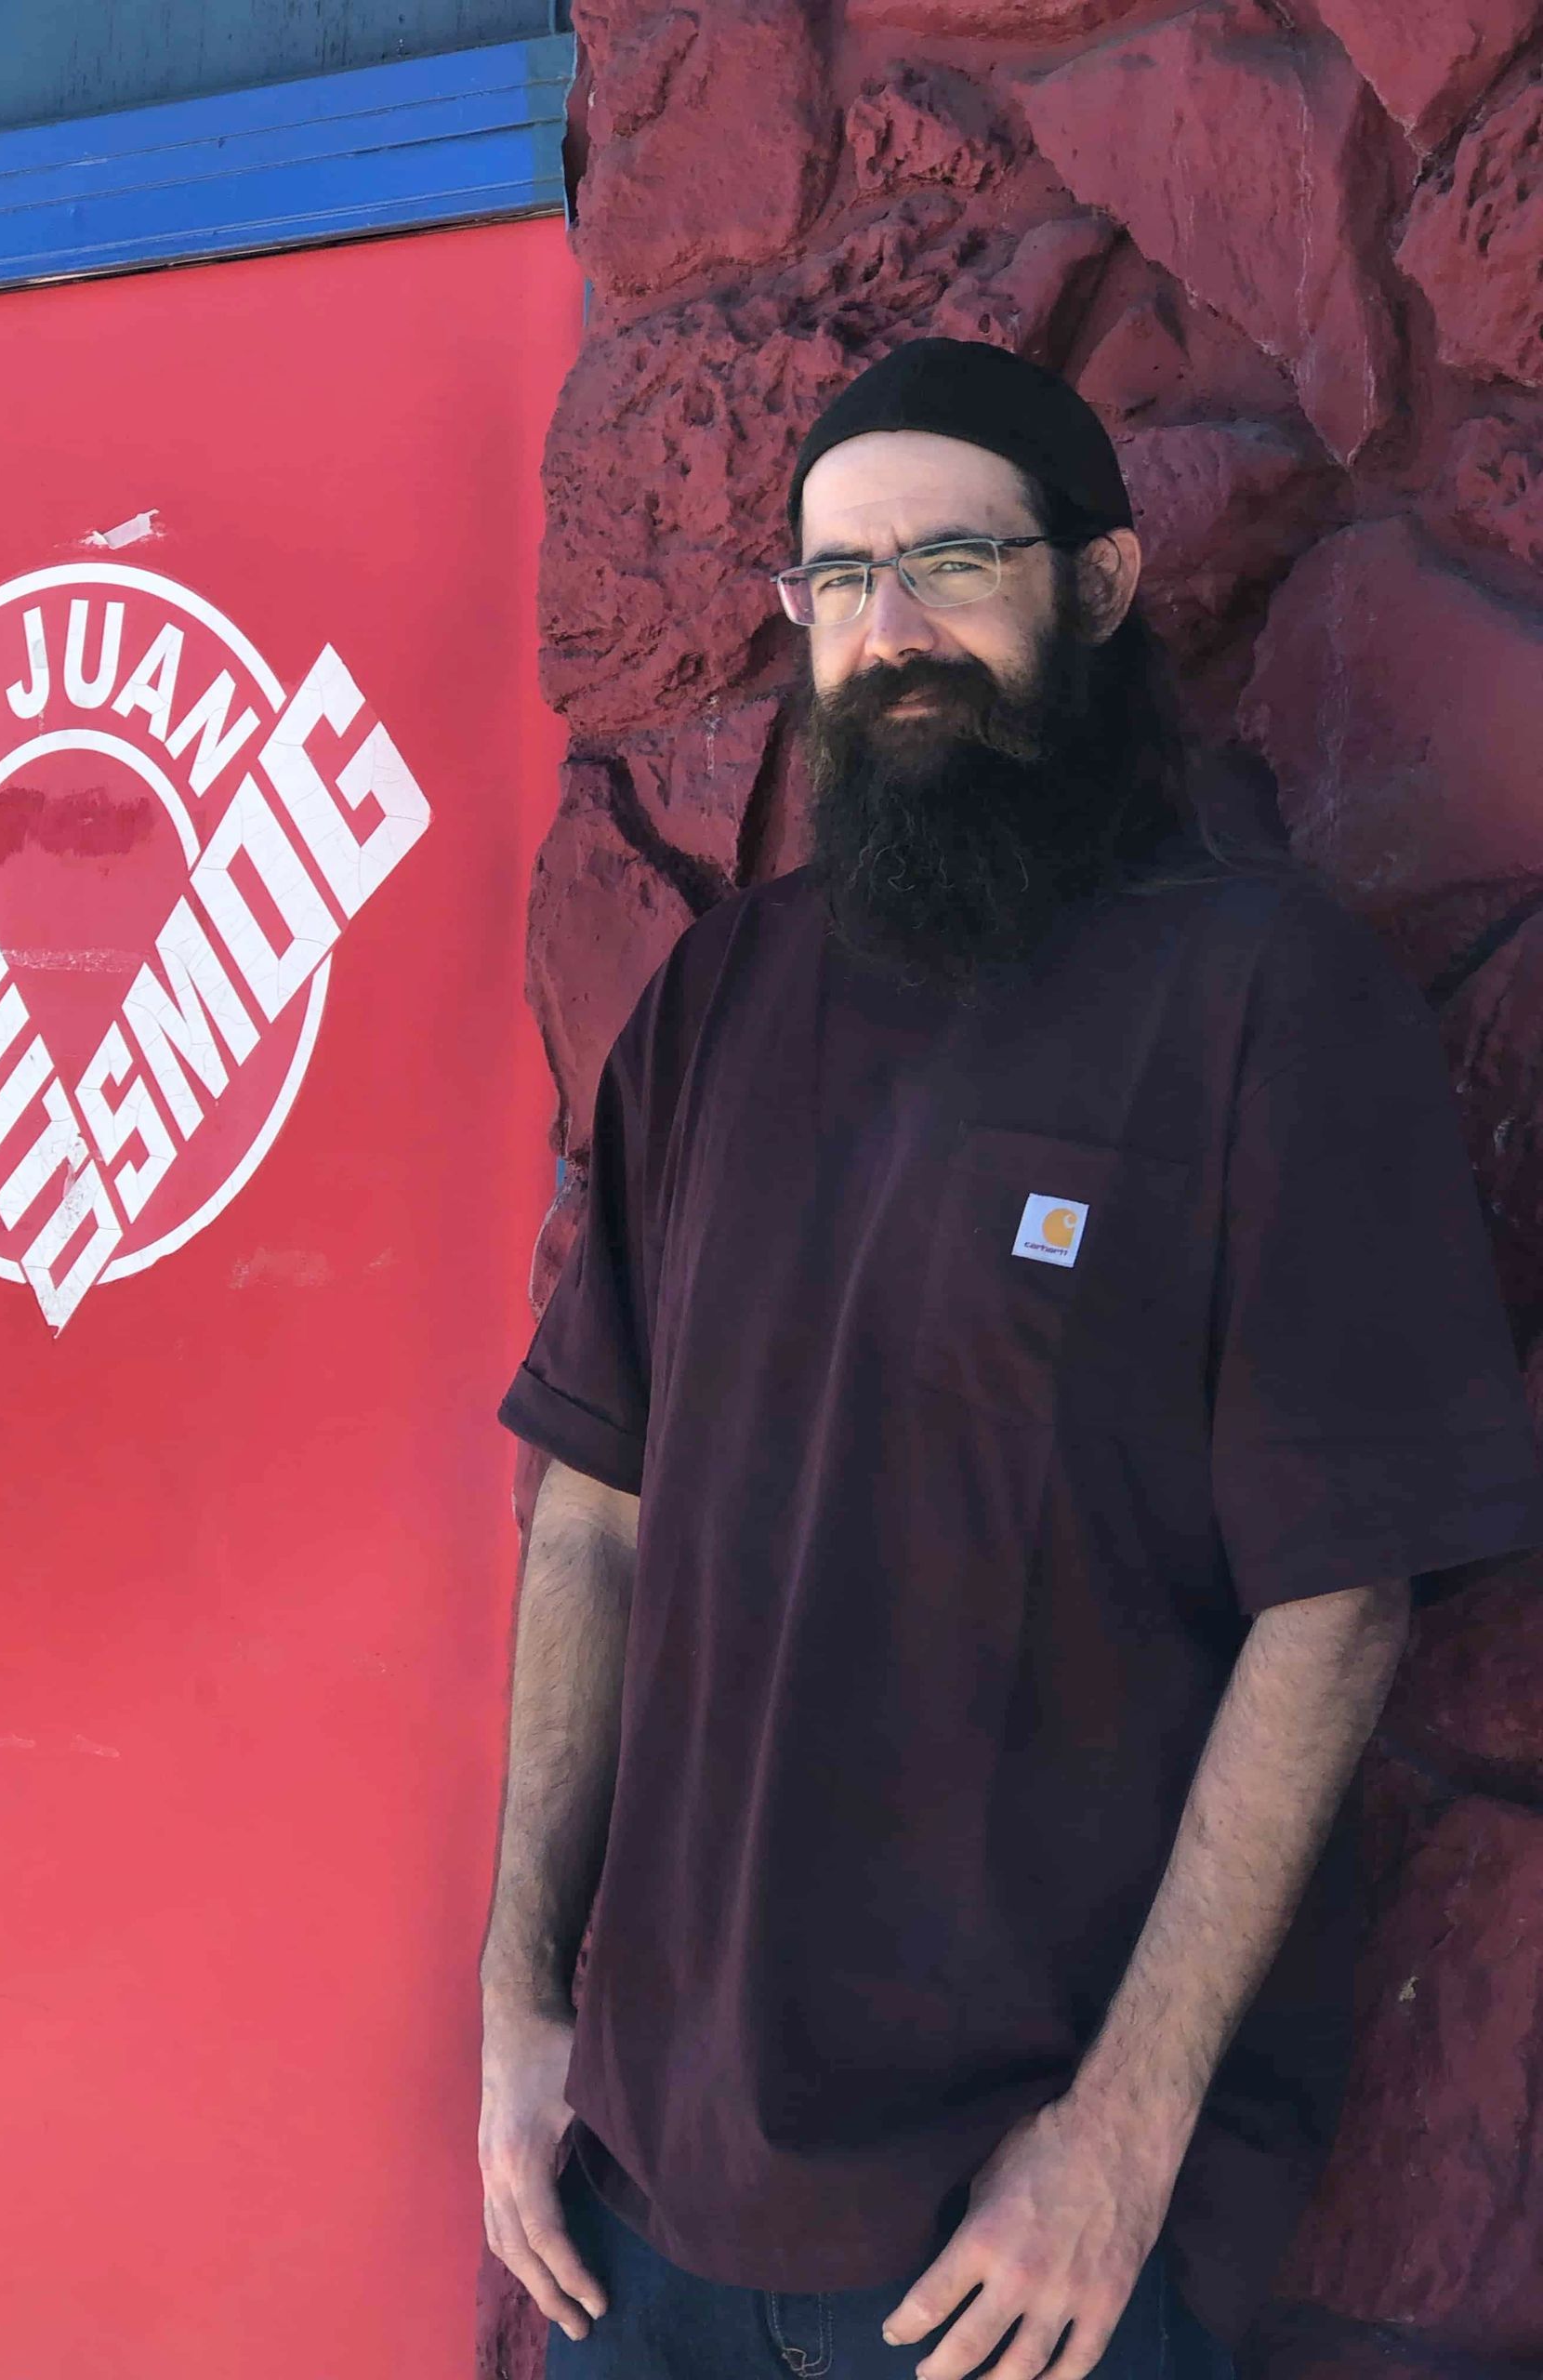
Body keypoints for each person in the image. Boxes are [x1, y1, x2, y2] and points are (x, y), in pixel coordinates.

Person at [477, 337, 1543, 2380]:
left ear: (1104, 584)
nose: (891, 633)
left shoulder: (1263, 994)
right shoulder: (717, 1002)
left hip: (1010, 2261)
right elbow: (593, 1521)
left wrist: (1123, 2141)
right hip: (642, 2216)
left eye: (952, 559)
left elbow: (1337, 1603)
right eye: (838, 581)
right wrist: (520, 2008)